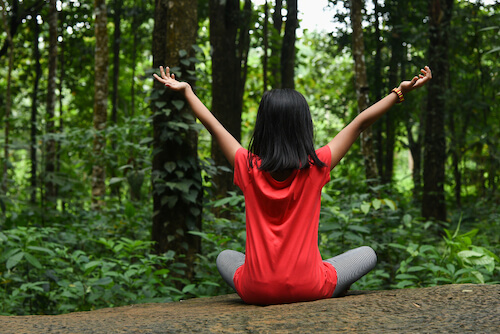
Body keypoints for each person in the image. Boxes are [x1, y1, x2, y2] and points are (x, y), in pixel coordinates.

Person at [153, 65, 432, 305]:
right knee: (367, 254)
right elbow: (359, 124)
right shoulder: (317, 165)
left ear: (263, 127)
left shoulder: (247, 166)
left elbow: (214, 127)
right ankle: (319, 277)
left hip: (256, 291)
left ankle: (286, 277)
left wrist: (188, 91)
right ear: (303, 127)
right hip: (310, 287)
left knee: (226, 256)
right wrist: (400, 91)